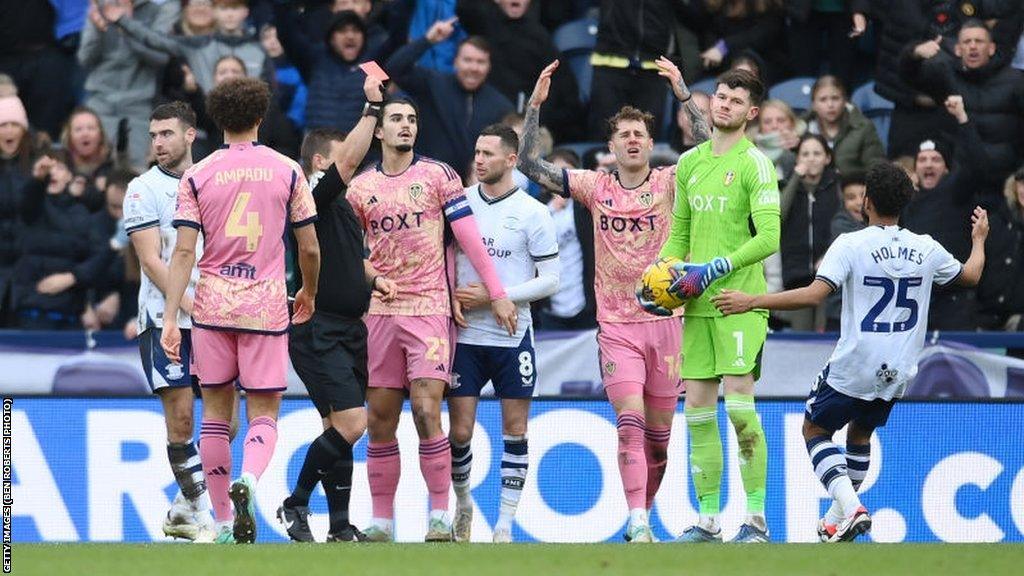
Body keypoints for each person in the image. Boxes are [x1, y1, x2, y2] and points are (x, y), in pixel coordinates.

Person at [712, 162, 988, 542]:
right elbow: (971, 275)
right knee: (860, 434)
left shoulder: (851, 243)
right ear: (905, 202)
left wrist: (752, 300)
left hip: (856, 362)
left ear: (867, 203)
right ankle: (835, 519)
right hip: (901, 367)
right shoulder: (926, 248)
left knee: (814, 429)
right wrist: (979, 240)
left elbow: (814, 294)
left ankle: (852, 507)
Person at [518, 58, 710, 543]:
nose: (630, 140)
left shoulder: (670, 182)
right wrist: (536, 107)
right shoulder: (593, 185)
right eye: (622, 134)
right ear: (610, 146)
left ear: (649, 144)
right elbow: (527, 164)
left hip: (667, 325)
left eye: (638, 134)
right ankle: (638, 521)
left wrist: (685, 95)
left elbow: (711, 150)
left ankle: (643, 511)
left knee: (660, 440)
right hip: (617, 326)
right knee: (629, 421)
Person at [347, 97, 517, 542]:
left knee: (426, 409)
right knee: (380, 419)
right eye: (397, 119)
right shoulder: (361, 188)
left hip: (429, 310)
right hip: (381, 313)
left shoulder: (439, 176)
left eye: (413, 118)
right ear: (379, 131)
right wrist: (374, 275)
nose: (407, 125)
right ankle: (382, 522)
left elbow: (468, 239)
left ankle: (439, 515)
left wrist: (497, 294)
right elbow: (351, 253)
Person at [160, 77, 321, 545]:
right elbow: (308, 247)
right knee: (264, 411)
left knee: (213, 414)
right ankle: (248, 480)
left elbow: (184, 254)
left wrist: (172, 317)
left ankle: (226, 522)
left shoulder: (197, 175)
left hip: (212, 305)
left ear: (216, 119)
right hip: (265, 306)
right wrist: (308, 290)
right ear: (260, 116)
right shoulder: (287, 169)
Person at [653, 68, 780, 543]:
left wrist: (715, 268)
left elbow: (769, 237)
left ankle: (756, 520)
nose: (722, 104)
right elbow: (680, 235)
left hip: (738, 302)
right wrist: (661, 277)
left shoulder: (756, 164)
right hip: (696, 306)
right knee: (698, 412)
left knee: (741, 410)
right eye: (719, 96)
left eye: (733, 100)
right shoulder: (689, 163)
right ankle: (708, 520)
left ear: (751, 113)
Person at [277, 77, 393, 544]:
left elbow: (348, 257)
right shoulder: (311, 195)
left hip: (348, 327)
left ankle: (340, 526)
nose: (352, 161)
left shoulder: (338, 206)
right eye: (341, 155)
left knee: (337, 429)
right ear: (321, 162)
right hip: (317, 327)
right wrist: (372, 108)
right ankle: (295, 503)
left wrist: (374, 277)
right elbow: (350, 158)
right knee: (352, 423)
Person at [448, 124, 560, 543]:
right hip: (466, 337)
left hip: (513, 337)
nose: (479, 160)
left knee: (515, 429)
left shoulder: (534, 212)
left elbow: (551, 280)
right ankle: (463, 507)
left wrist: (501, 296)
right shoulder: (458, 203)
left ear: (511, 160)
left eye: (488, 154)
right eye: (476, 152)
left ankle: (504, 525)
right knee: (459, 432)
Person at [122, 101, 216, 542]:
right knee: (180, 420)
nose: (158, 142)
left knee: (225, 421)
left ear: (190, 135)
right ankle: (201, 513)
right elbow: (149, 261)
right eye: (153, 135)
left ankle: (181, 507)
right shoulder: (142, 189)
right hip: (165, 319)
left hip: (217, 319)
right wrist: (190, 306)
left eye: (167, 134)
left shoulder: (213, 179)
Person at [386, 19, 514, 179]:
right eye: (467, 60)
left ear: (489, 67)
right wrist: (428, 40)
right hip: (423, 181)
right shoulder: (433, 83)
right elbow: (395, 68)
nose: (474, 68)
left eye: (480, 62)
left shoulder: (500, 106)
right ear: (455, 62)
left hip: (472, 189)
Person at [78, 0, 181, 171]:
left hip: (139, 104)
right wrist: (98, 29)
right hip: (100, 101)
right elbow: (85, 58)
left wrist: (125, 25)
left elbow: (160, 57)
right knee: (94, 170)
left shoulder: (157, 9)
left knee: (136, 171)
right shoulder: (103, 6)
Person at [778, 134, 841, 331]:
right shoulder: (786, 185)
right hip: (797, 275)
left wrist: (829, 255)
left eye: (817, 153)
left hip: (830, 274)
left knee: (824, 337)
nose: (811, 158)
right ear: (797, 159)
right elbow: (777, 216)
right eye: (805, 154)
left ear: (827, 158)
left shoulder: (837, 186)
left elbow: (845, 226)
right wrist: (796, 178)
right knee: (801, 337)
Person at [803, 76, 884, 182]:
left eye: (835, 98)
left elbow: (876, 166)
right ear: (813, 105)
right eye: (823, 99)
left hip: (854, 190)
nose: (830, 105)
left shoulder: (863, 127)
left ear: (845, 101)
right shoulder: (803, 130)